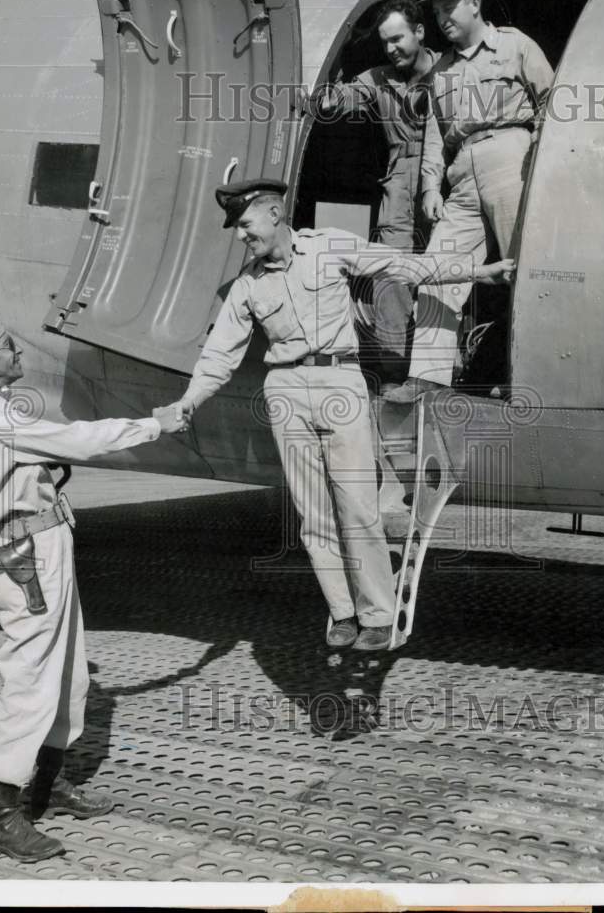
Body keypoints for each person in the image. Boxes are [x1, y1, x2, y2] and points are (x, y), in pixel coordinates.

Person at [172, 178, 515, 652]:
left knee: (357, 505)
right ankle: (343, 612)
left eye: (245, 224)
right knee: (313, 514)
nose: (240, 235)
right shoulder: (248, 284)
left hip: (341, 381)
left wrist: (480, 272)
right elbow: (218, 356)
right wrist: (189, 400)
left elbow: (405, 266)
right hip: (286, 391)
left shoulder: (328, 246)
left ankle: (377, 615)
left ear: (274, 214)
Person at [0, 309, 188, 862]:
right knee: (31, 675)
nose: (18, 352)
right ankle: (3, 814)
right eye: (7, 347)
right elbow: (79, 439)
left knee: (69, 669)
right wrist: (154, 424)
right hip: (29, 556)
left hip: (47, 544)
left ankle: (49, 784)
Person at [383, 0, 554, 403]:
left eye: (449, 7)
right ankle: (427, 378)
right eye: (437, 10)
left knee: (526, 271)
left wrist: (540, 155)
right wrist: (429, 188)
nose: (442, 18)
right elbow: (436, 135)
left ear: (475, 3)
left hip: (510, 157)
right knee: (438, 271)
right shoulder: (441, 70)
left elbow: (553, 101)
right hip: (460, 175)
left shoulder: (516, 46)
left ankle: (522, 375)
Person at [316, 0, 441, 389]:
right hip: (398, 188)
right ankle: (392, 375)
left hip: (445, 183)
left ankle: (439, 375)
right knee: (391, 279)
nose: (392, 49)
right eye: (385, 42)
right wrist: (331, 89)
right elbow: (342, 99)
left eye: (398, 39)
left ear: (419, 32)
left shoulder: (452, 70)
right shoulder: (378, 78)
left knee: (447, 280)